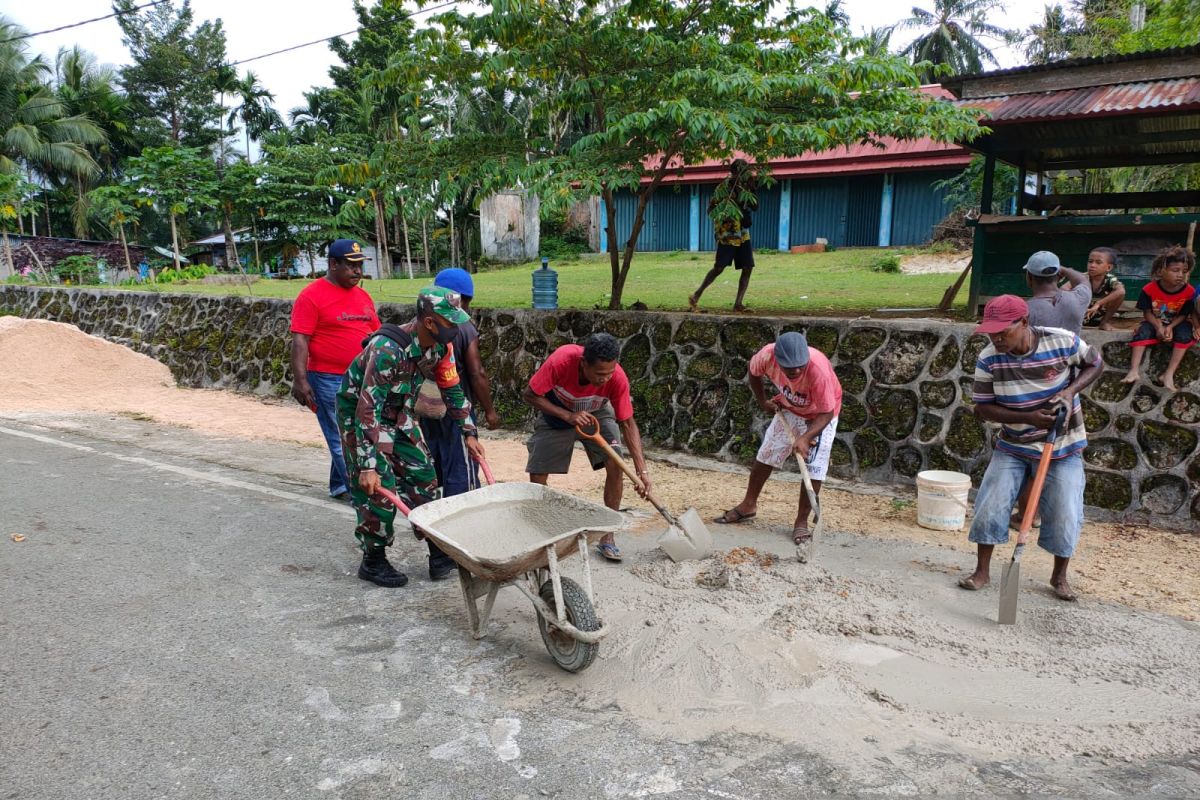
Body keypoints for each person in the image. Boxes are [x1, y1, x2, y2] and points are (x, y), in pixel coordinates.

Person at [337, 286, 486, 587]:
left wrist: (469, 433)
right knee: (379, 490)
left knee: (426, 480)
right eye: (451, 323)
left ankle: (438, 551)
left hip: (400, 413)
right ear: (430, 322)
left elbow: (453, 391)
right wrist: (367, 466)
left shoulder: (442, 348)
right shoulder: (386, 350)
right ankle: (373, 559)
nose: (457, 329)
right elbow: (368, 411)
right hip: (364, 418)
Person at [957, 295, 1103, 602]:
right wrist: (1028, 418)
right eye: (990, 332)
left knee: (1066, 512)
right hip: (1013, 445)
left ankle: (1059, 577)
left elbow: (1096, 363)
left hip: (1063, 446)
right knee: (990, 506)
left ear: (1024, 322)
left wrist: (1069, 392)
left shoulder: (1061, 341)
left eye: (1002, 331)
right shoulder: (988, 358)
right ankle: (982, 571)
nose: (995, 338)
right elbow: (982, 409)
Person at [522, 332, 650, 561]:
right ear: (584, 364)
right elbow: (530, 394)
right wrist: (567, 415)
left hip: (597, 412)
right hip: (557, 412)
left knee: (615, 464)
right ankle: (540, 532)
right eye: (600, 374)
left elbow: (628, 423)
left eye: (609, 373)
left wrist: (642, 471)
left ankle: (607, 535)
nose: (605, 379)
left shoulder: (617, 378)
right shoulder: (561, 361)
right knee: (538, 469)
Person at [713, 332, 842, 545]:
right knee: (766, 454)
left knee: (814, 468)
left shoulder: (818, 370)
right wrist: (763, 401)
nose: (797, 371)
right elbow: (753, 373)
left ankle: (801, 521)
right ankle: (748, 505)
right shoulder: (766, 356)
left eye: (800, 366)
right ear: (778, 359)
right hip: (790, 407)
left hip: (821, 414)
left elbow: (827, 412)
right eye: (790, 369)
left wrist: (806, 437)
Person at [289, 238, 380, 502]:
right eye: (351, 266)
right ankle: (360, 495)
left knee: (351, 432)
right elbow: (300, 340)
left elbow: (375, 332)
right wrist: (300, 380)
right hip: (329, 379)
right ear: (333, 264)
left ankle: (339, 484)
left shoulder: (362, 295)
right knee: (341, 436)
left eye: (360, 265)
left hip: (363, 377)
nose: (357, 271)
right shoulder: (311, 296)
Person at [417, 268, 500, 501]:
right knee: (461, 467)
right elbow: (477, 373)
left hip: (428, 407)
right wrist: (490, 412)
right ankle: (461, 513)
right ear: (465, 299)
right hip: (455, 407)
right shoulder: (463, 327)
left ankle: (438, 511)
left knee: (436, 461)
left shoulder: (426, 323)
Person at [1121, 246, 1197, 392]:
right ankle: (1133, 370)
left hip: (1177, 323)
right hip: (1154, 321)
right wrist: (1158, 327)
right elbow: (1147, 313)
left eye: (1184, 271)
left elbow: (1183, 314)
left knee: (1185, 335)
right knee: (1142, 332)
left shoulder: (1189, 291)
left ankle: (1168, 374)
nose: (1180, 275)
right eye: (1175, 270)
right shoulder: (1149, 289)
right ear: (1160, 271)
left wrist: (1170, 327)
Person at [689, 159, 759, 313]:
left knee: (748, 267)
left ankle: (738, 303)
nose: (745, 174)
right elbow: (711, 210)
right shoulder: (723, 188)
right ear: (736, 172)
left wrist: (752, 189)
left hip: (743, 234)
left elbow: (755, 206)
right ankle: (697, 294)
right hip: (727, 234)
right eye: (743, 171)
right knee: (719, 268)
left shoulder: (747, 188)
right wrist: (726, 212)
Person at [1023, 250, 1091, 335]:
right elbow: (1083, 280)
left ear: (1029, 277)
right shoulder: (1079, 298)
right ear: (1059, 276)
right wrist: (1064, 269)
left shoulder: (1024, 311)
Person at [1082, 247, 1126, 330]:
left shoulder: (1110, 279)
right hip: (1078, 315)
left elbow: (1121, 291)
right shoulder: (1082, 277)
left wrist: (1098, 303)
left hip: (1097, 315)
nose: (1092, 265)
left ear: (1109, 267)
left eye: (1098, 262)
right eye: (1090, 261)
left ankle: (1104, 322)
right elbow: (1064, 289)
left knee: (1119, 294)